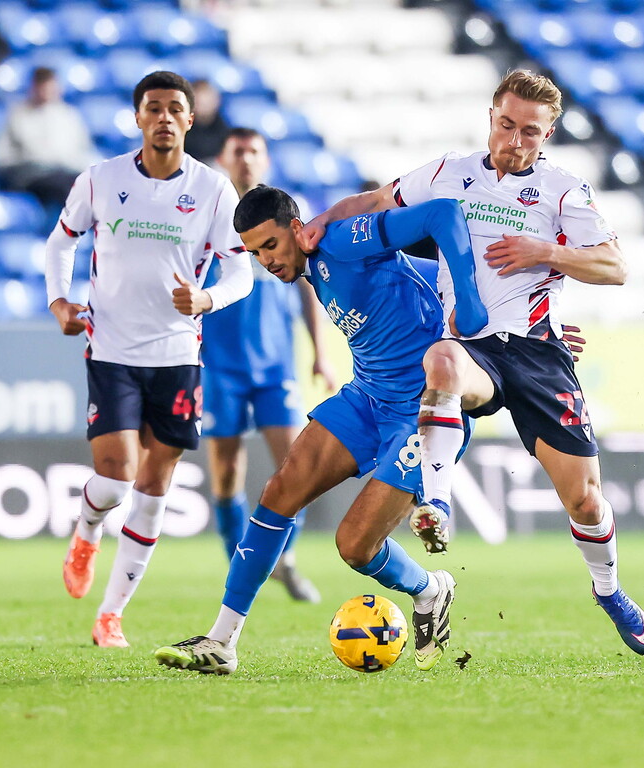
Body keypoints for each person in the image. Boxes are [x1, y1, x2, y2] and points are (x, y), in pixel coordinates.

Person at [301, 69, 644, 656]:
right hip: (474, 348)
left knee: (587, 500)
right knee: (439, 360)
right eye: (506, 125)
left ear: (548, 136)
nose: (514, 140)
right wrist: (321, 220)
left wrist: (549, 252)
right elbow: (375, 202)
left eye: (530, 132)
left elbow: (615, 266)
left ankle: (608, 588)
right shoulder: (449, 173)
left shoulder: (564, 191)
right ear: (491, 118)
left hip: (540, 354)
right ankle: (435, 504)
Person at [153, 186, 487, 675]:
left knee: (354, 547)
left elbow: (442, 214)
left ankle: (431, 589)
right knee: (280, 489)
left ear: (296, 228)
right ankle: (222, 641)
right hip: (366, 395)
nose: (265, 261)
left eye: (270, 245)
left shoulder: (343, 241)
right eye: (253, 252)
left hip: (419, 412)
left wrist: (486, 313)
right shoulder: (311, 268)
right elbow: (421, 277)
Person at [44, 71, 254, 648]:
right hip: (110, 348)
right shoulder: (101, 180)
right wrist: (59, 300)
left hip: (178, 355)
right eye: (153, 108)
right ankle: (87, 529)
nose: (163, 117)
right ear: (138, 118)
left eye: (174, 110)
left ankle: (111, 615)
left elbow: (242, 270)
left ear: (189, 121)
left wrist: (207, 298)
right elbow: (61, 241)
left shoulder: (212, 190)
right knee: (115, 479)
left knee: (155, 485)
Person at [202, 127, 334, 603]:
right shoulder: (209, 213)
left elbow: (306, 287)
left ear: (266, 159)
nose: (245, 160)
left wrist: (319, 352)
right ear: (222, 158)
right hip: (219, 364)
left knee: (295, 463)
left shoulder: (285, 219)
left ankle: (287, 558)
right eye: (237, 151)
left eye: (254, 151)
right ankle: (238, 565)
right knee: (225, 471)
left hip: (276, 362)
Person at [0, 67, 98, 211]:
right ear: (34, 88)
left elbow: (82, 149)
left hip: (65, 171)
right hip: (31, 175)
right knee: (68, 188)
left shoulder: (68, 115)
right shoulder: (19, 114)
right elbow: (15, 155)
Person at [183, 79, 229, 165]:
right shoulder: (181, 130)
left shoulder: (224, 129)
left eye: (207, 101)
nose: (204, 106)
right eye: (200, 102)